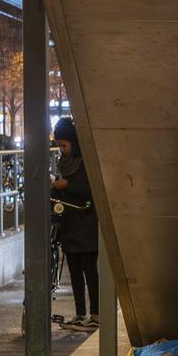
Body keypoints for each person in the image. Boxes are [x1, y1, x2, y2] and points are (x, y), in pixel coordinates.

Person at [51, 117, 100, 329]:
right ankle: (80, 313)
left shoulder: (86, 162)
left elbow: (89, 188)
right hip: (69, 223)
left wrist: (65, 185)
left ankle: (96, 314)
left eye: (64, 145)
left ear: (73, 141)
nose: (62, 150)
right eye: (59, 146)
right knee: (75, 273)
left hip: (86, 221)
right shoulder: (64, 163)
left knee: (90, 271)